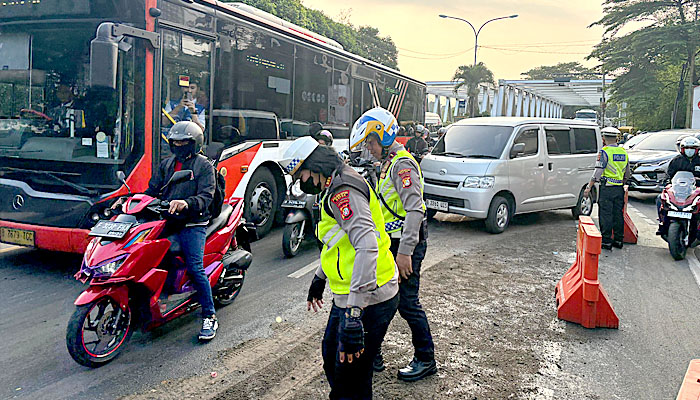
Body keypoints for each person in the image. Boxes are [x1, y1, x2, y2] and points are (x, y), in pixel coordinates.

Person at [279, 136, 399, 400]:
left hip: (371, 297)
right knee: (334, 358)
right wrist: (319, 277)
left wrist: (355, 313)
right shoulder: (333, 184)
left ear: (314, 167)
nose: (302, 183)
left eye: (301, 176)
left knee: (349, 380)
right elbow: (337, 241)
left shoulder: (343, 192)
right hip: (351, 295)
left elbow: (366, 246)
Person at [349, 107, 436, 382]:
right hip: (391, 244)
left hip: (405, 245)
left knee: (407, 303)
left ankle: (426, 358)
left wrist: (405, 253)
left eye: (372, 142)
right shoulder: (386, 164)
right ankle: (372, 353)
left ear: (384, 138)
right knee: (380, 299)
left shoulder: (402, 165)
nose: (369, 148)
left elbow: (415, 210)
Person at [114, 121, 217, 340]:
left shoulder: (204, 166)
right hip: (167, 220)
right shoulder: (167, 164)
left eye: (183, 142)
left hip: (192, 223)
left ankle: (209, 316)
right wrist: (127, 200)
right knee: (144, 254)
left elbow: (206, 197)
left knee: (195, 268)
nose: (178, 145)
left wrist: (185, 203)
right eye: (175, 142)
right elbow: (152, 190)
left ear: (194, 143)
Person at [583, 127, 630, 250]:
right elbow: (627, 173)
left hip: (607, 188)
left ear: (603, 138)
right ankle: (619, 240)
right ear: (616, 138)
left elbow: (598, 172)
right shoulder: (623, 152)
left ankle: (606, 241)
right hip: (619, 188)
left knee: (606, 215)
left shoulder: (604, 152)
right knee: (618, 214)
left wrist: (589, 187)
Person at [655, 136, 700, 234]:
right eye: (687, 148)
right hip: (678, 190)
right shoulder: (677, 160)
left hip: (696, 191)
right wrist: (666, 182)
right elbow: (669, 174)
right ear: (682, 149)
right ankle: (663, 223)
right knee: (660, 198)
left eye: (692, 148)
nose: (689, 150)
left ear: (697, 150)